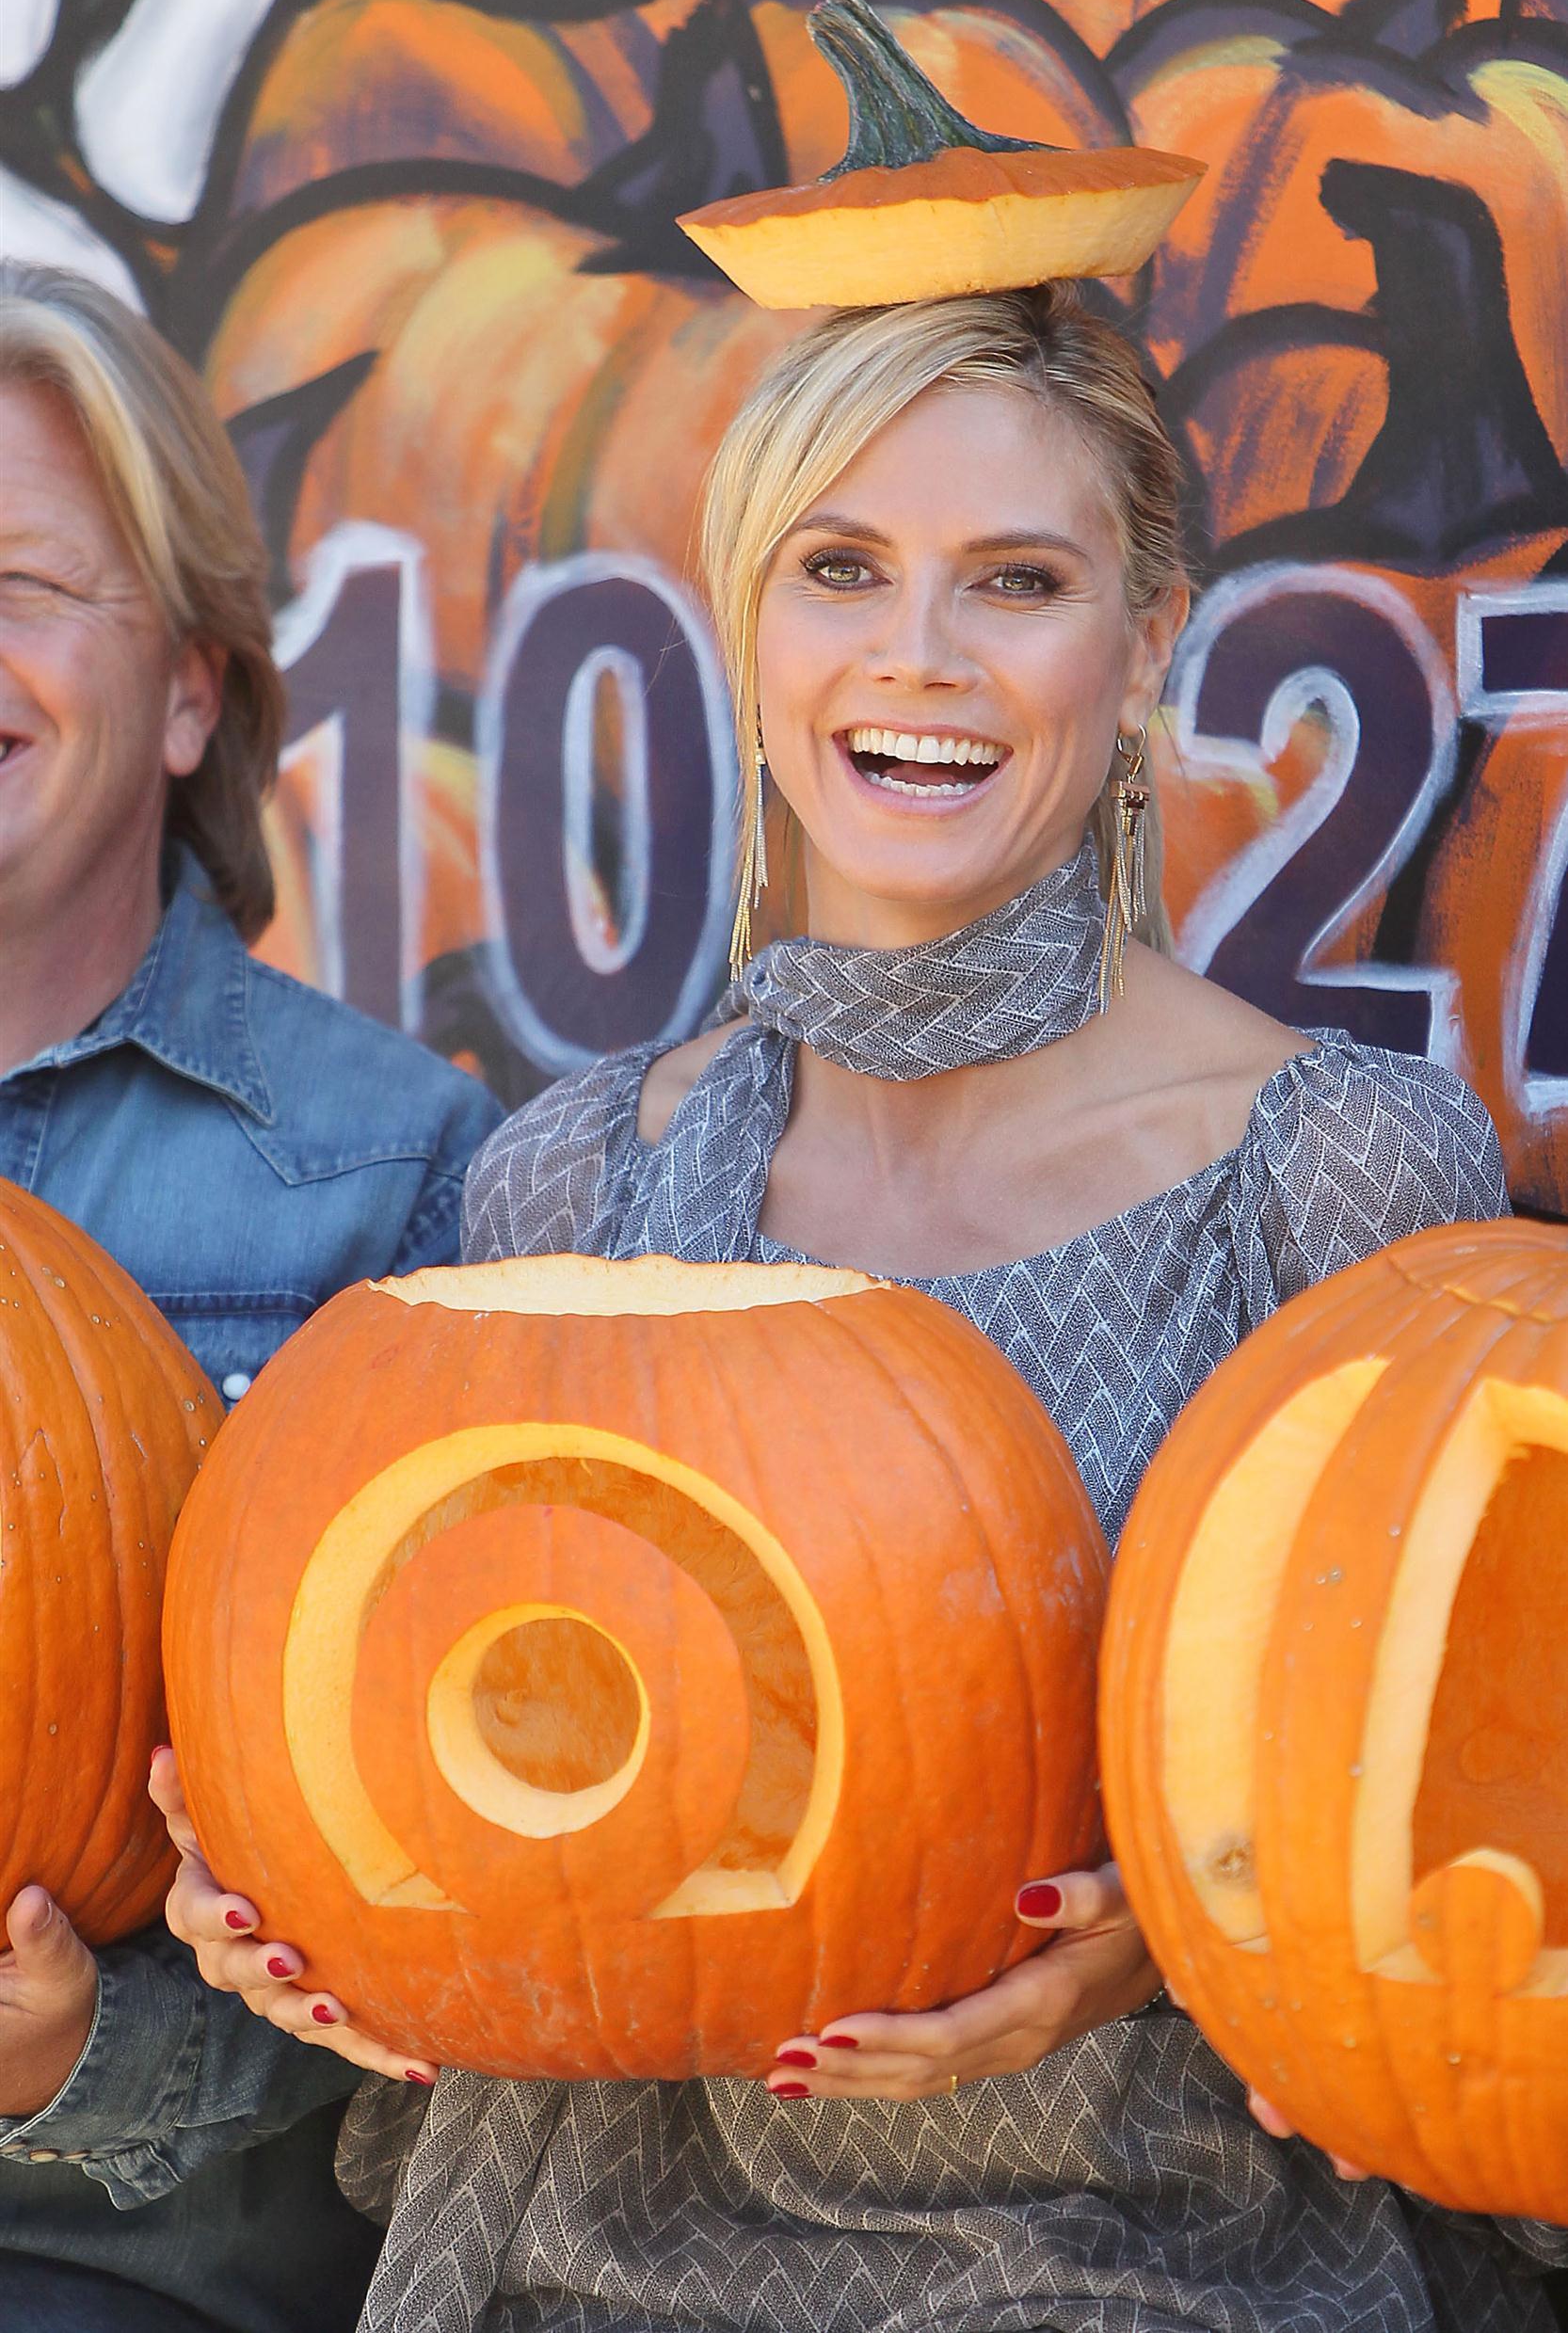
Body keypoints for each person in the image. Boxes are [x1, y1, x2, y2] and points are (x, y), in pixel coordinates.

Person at [154, 290, 1568, 2326]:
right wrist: (295, 1874)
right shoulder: (577, 1185)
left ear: (1146, 639)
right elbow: (487, 1772)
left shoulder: (1334, 1173)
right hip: (592, 2260)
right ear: (748, 634)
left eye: (1013, 579)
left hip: (1134, 2255)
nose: (918, 653)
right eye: (840, 569)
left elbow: (1462, 1803)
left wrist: (1163, 1942)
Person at [0, 260, 502, 2332]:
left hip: (121, 2264)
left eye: (22, 580)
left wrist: (67, 2069)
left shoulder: (393, 1177)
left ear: (194, 687)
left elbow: (478, 1935)